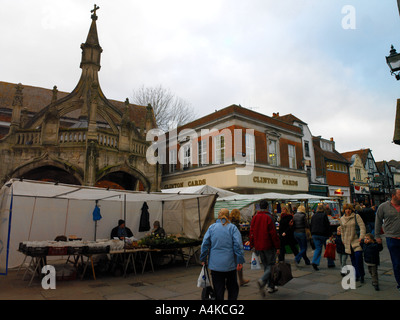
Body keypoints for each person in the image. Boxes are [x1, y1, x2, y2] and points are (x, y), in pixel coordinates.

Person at [200, 208, 245, 300]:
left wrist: (203, 258)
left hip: (215, 264)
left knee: (218, 289)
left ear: (218, 216)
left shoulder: (212, 227)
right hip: (230, 264)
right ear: (229, 216)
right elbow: (238, 245)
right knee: (232, 287)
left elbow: (205, 244)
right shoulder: (232, 228)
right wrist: (239, 260)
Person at [249, 199, 280, 296]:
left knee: (266, 265)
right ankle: (262, 280)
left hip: (259, 246)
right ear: (267, 207)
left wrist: (252, 244)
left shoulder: (255, 217)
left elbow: (251, 232)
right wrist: (277, 246)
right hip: (268, 245)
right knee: (271, 265)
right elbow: (273, 234)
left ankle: (270, 286)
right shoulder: (269, 217)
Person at [375, 188, 400, 292]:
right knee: (397, 263)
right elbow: (378, 221)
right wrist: (377, 236)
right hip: (392, 239)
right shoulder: (383, 207)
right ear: (394, 195)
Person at [340, 203, 366, 283]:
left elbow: (362, 227)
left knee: (358, 257)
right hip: (347, 242)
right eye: (346, 209)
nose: (347, 211)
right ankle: (356, 275)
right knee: (353, 260)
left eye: (349, 209)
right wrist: (343, 240)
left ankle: (361, 274)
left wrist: (361, 237)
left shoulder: (356, 216)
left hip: (356, 240)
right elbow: (342, 231)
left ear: (351, 210)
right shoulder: (342, 219)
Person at [229, 209, 250, 286]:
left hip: (230, 245)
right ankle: (240, 280)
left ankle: (237, 280)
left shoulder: (229, 222)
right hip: (235, 245)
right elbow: (236, 236)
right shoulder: (235, 224)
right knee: (239, 262)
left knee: (233, 263)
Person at [310, 204, 333, 270]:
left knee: (318, 249)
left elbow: (311, 225)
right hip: (323, 234)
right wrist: (330, 234)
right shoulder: (324, 215)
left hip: (315, 234)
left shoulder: (313, 216)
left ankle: (315, 261)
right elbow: (327, 225)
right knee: (328, 248)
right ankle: (330, 263)